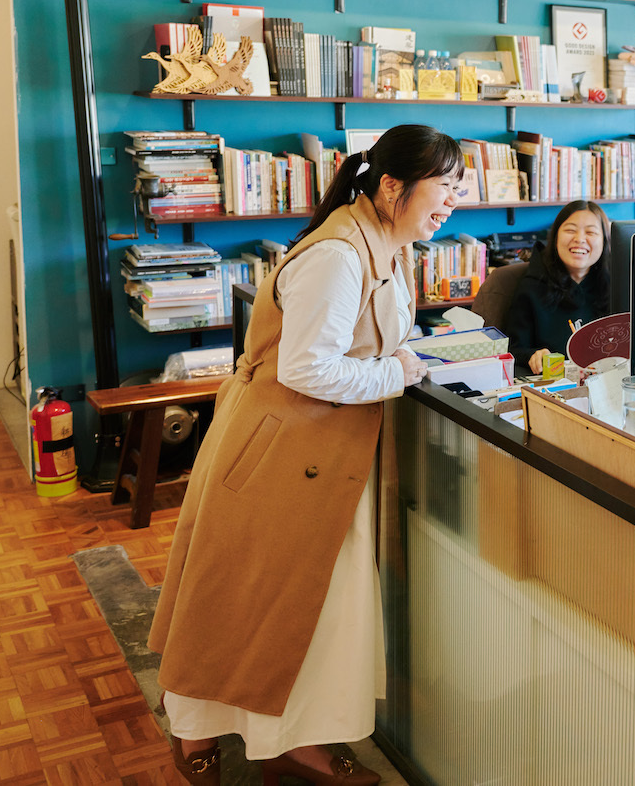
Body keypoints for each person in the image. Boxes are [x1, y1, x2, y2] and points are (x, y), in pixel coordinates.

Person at [149, 124, 463, 786]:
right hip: (281, 455)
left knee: (312, 615)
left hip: (322, 458)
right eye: (444, 187)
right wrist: (397, 373)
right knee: (243, 601)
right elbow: (306, 369)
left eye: (458, 189)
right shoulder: (338, 254)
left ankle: (294, 741)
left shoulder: (386, 241)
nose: (451, 202)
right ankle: (195, 728)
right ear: (391, 186)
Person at [500, 200, 609, 374]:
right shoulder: (533, 284)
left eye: (591, 232)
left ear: (604, 241)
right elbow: (512, 349)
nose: (579, 239)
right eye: (570, 230)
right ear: (556, 236)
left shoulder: (618, 284)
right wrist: (533, 355)